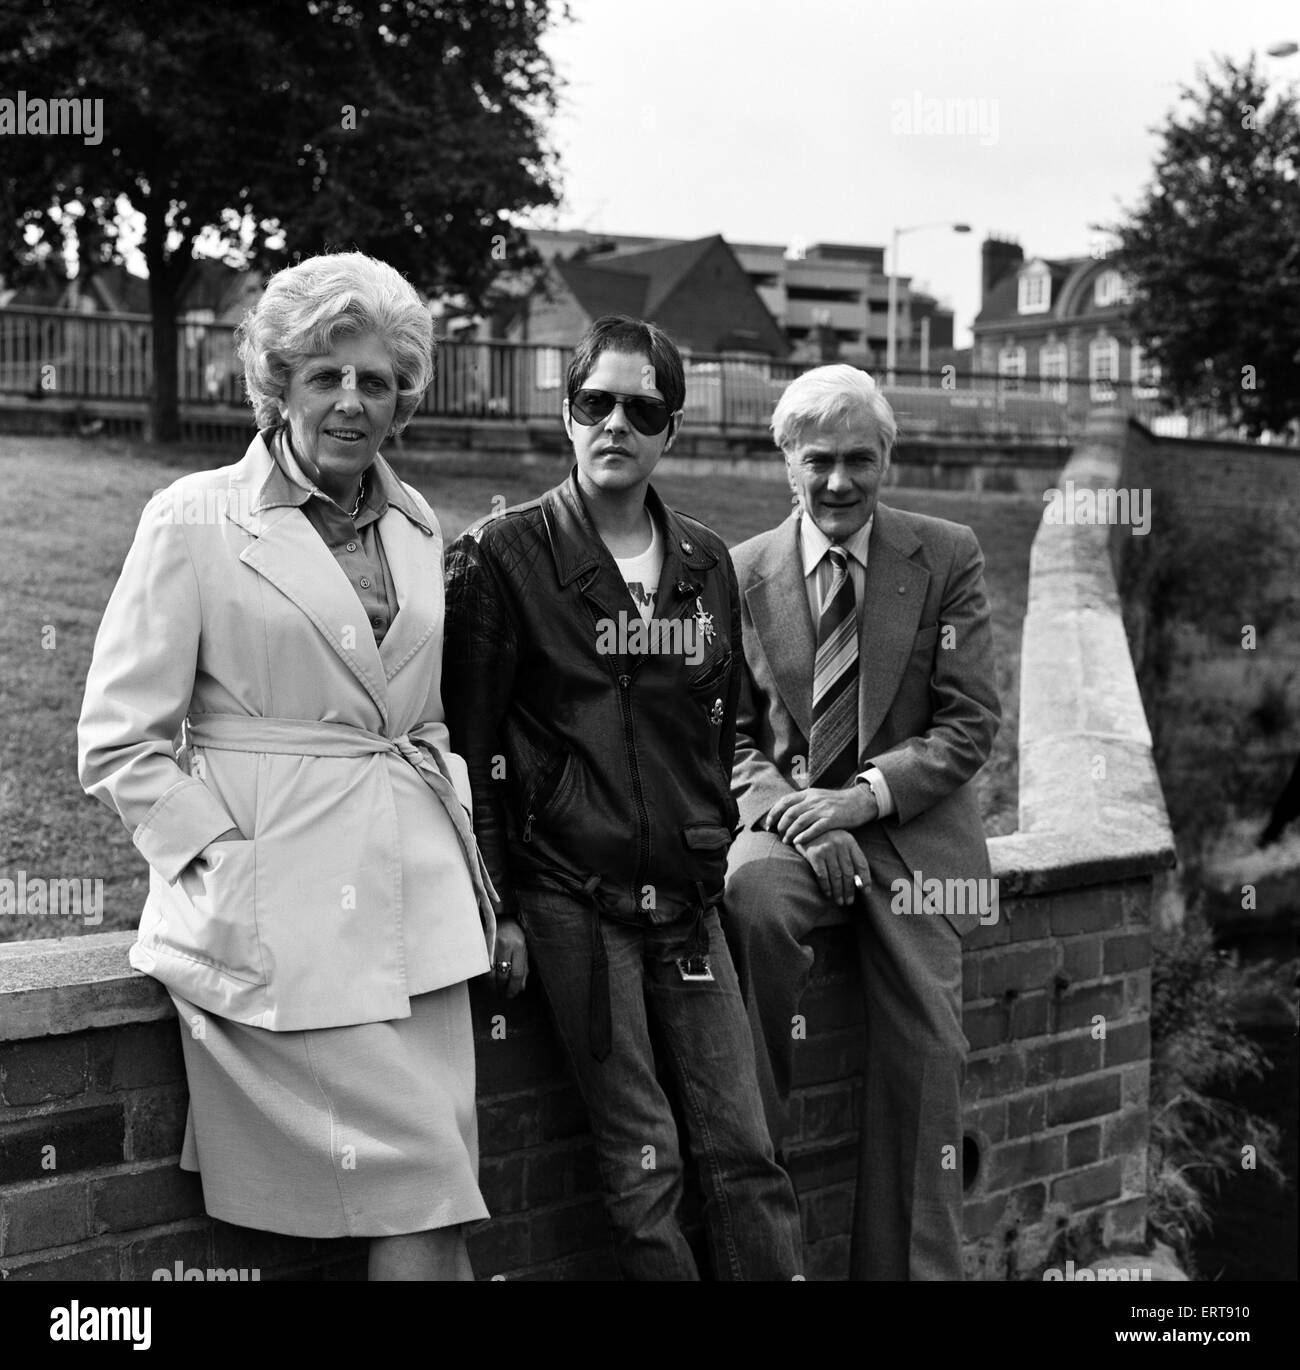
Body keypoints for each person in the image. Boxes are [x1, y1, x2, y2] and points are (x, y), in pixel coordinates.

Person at [77, 251, 497, 1281]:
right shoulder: (191, 519)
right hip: (287, 919)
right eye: (326, 375)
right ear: (278, 383)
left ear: (404, 396)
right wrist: (221, 861)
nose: (354, 401)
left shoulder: (415, 520)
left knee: (438, 1196)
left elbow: (424, 715)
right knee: (421, 1185)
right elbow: (119, 738)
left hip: (422, 919)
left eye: (378, 380)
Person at [442, 315, 802, 1280]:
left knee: (747, 1151)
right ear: (567, 415)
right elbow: (467, 755)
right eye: (596, 403)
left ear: (671, 431)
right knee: (647, 1162)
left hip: (687, 900)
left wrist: (714, 833)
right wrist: (502, 908)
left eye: (643, 408)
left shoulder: (705, 564)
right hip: (574, 902)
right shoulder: (503, 559)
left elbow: (724, 725)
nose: (617, 424)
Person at [722, 364, 1000, 1280]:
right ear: (786, 465)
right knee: (749, 893)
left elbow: (969, 722)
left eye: (859, 461)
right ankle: (754, 1210)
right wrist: (809, 821)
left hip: (914, 835)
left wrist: (865, 796)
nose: (839, 483)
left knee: (930, 1055)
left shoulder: (946, 553)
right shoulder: (737, 573)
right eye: (819, 462)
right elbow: (721, 742)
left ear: (888, 459)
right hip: (795, 829)